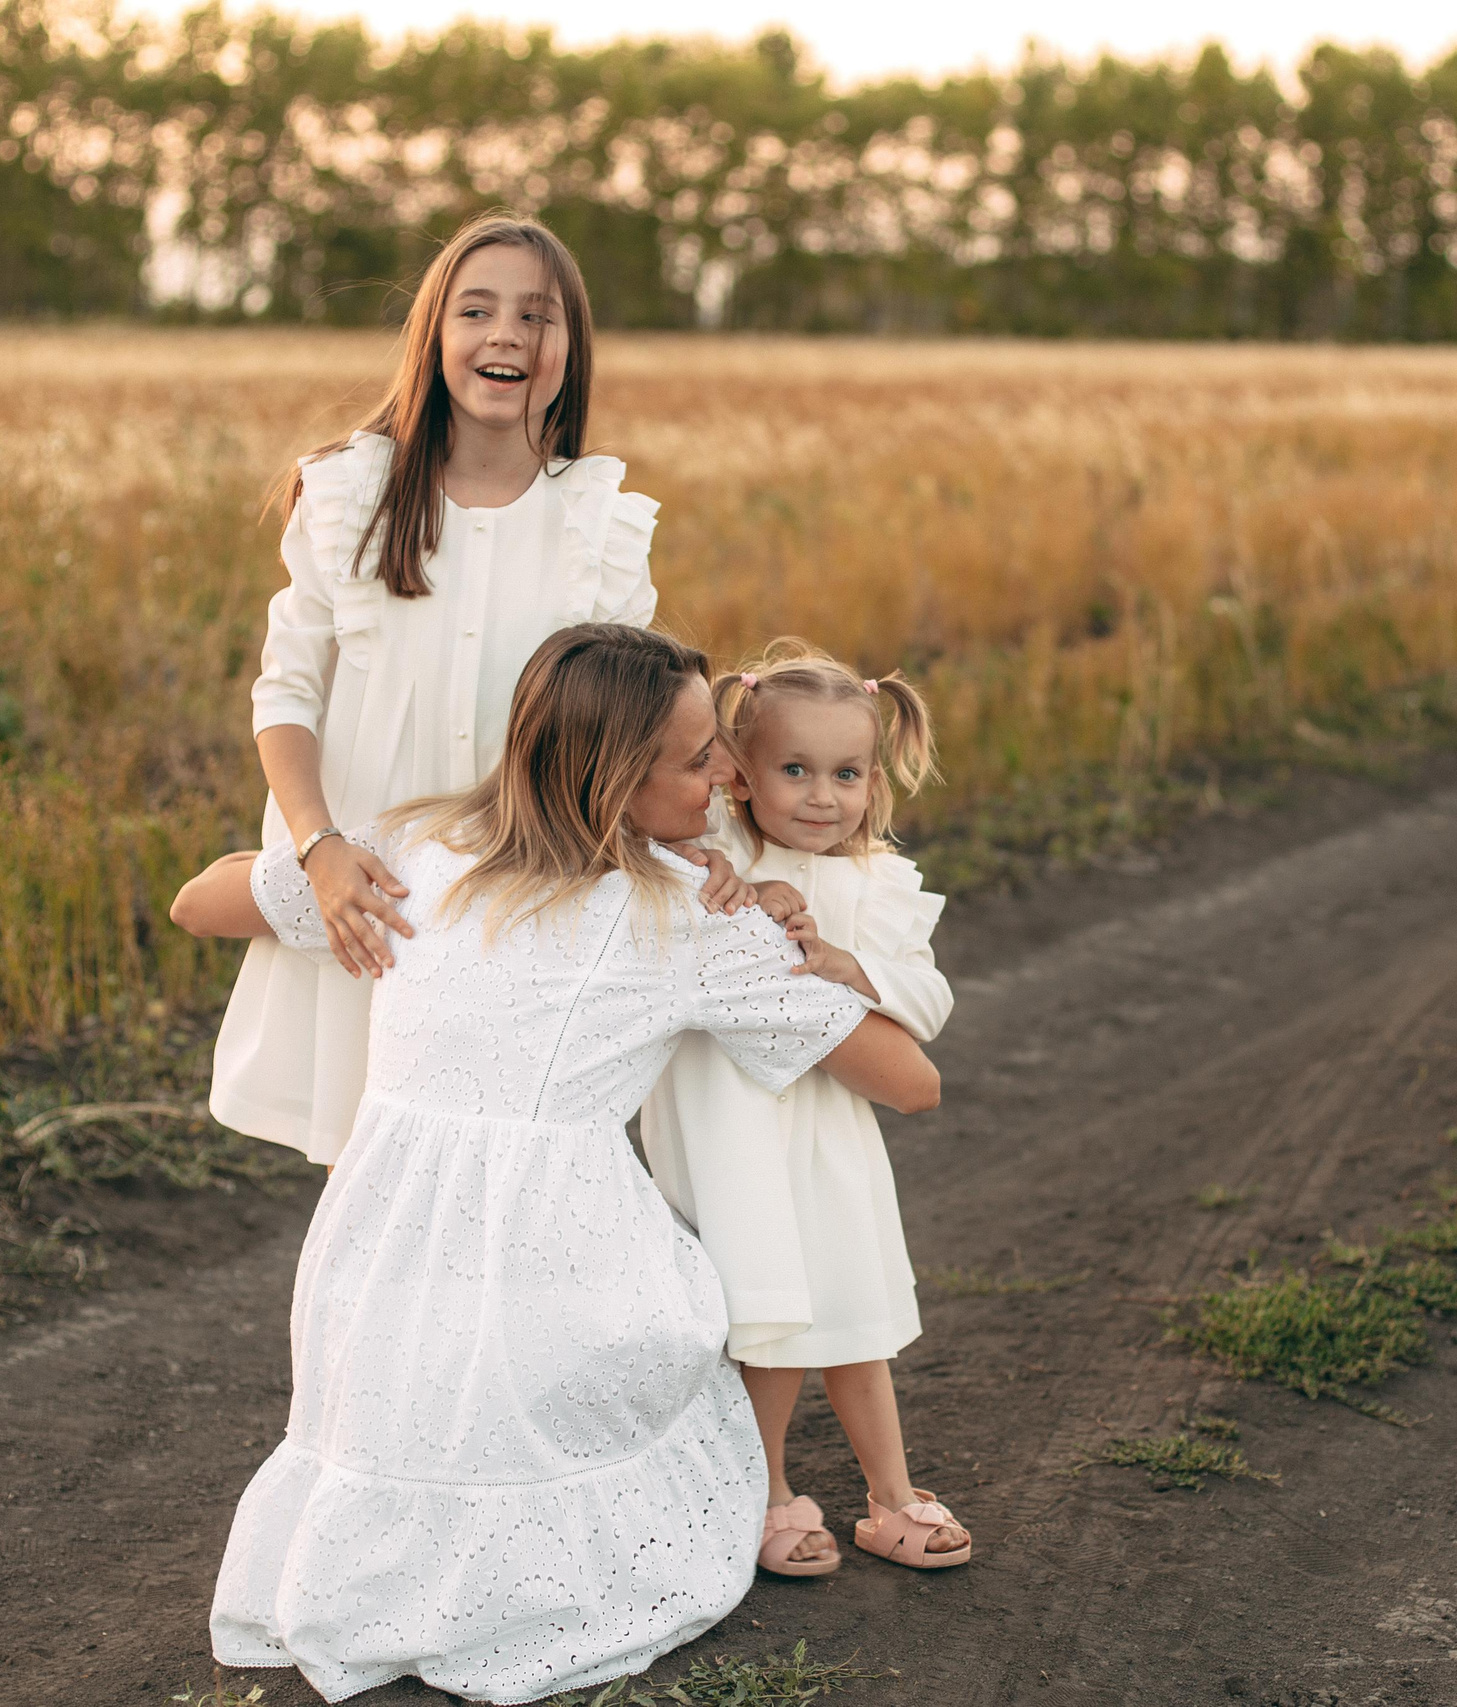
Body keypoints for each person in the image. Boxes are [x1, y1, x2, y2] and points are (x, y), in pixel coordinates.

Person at [195, 624, 941, 1703]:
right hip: (561, 1271)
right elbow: (910, 1083)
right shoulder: (688, 920)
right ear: (609, 779)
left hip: (373, 1278)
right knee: (649, 1340)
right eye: (698, 760)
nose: (729, 774)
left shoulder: (412, 850)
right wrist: (807, 948)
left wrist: (323, 866)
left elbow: (195, 901)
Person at [171, 212, 740, 1168]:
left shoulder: (597, 522)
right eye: (476, 310)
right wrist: (319, 847)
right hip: (364, 884)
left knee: (483, 1157)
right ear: (434, 336)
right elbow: (287, 697)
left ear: (572, 348)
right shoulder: (352, 492)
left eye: (537, 315)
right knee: (363, 1155)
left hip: (517, 895)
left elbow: (631, 732)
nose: (506, 333)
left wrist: (705, 845)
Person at [639, 638, 970, 1578]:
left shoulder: (876, 882)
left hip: (829, 1129)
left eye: (847, 773)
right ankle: (767, 1492)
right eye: (795, 769)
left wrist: (853, 971)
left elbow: (930, 1002)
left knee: (854, 1304)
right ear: (739, 775)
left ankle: (891, 1495)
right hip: (735, 1123)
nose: (823, 796)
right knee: (769, 1316)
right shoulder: (717, 856)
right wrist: (741, 884)